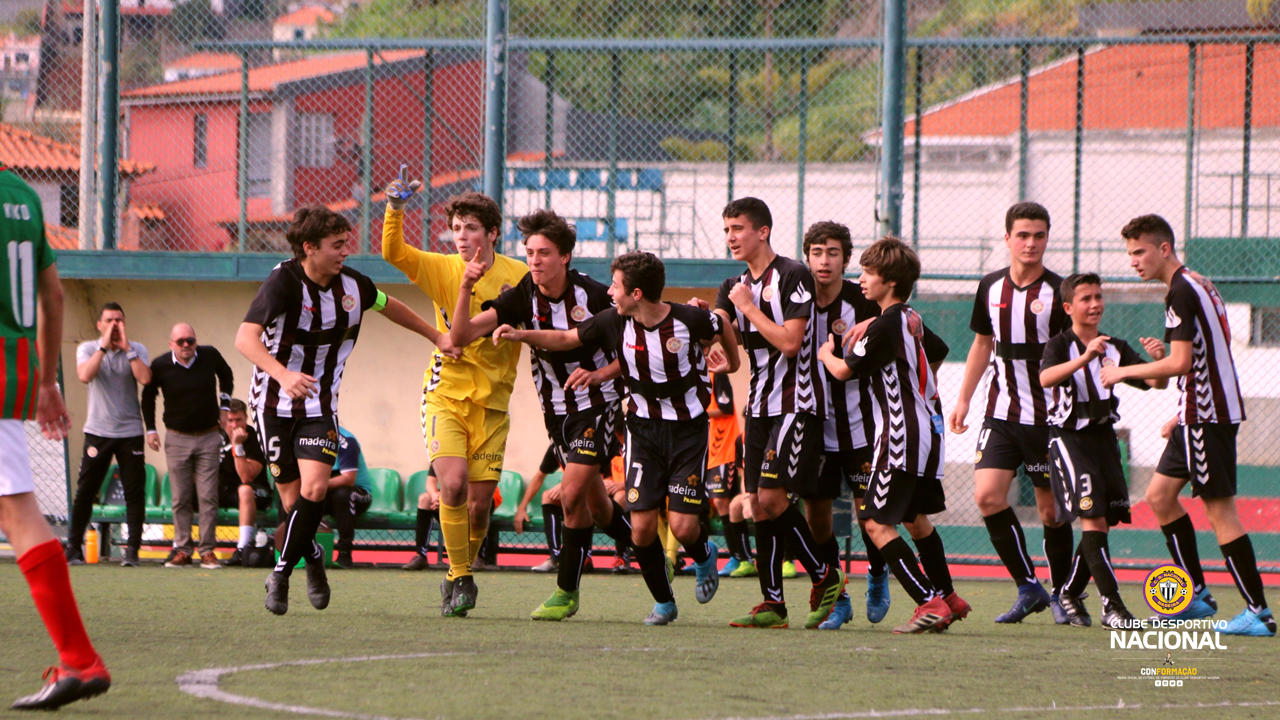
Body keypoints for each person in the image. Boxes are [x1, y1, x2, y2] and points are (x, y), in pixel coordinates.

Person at [495, 251, 739, 624]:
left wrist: (732, 364)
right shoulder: (613, 321)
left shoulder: (689, 318)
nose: (609, 292)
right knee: (640, 528)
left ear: (637, 293)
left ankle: (704, 554)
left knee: (683, 526)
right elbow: (565, 337)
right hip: (642, 431)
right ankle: (664, 602)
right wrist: (520, 334)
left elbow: (720, 322)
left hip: (688, 432)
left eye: (616, 286)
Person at [236, 204, 447, 616]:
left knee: (314, 491)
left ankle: (280, 573)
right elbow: (245, 338)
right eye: (336, 245)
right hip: (273, 405)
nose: (344, 252)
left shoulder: (353, 286)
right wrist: (282, 374)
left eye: (346, 243)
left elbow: (389, 305)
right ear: (309, 248)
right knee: (294, 502)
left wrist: (436, 335)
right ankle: (313, 557)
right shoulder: (282, 282)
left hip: (320, 406)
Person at [449, 208, 633, 621]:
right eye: (530, 252)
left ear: (565, 257)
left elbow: (637, 351)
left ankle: (566, 592)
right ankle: (648, 552)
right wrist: (465, 288)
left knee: (569, 495)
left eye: (544, 253)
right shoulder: (521, 296)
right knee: (598, 507)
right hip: (558, 414)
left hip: (600, 406)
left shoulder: (599, 296)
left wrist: (601, 373)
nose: (534, 260)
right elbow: (459, 336)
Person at [1102, 215, 1273, 637]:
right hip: (1197, 412)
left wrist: (1124, 372)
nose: (1133, 262)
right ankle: (1195, 594)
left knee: (1220, 512)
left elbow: (1179, 363)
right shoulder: (1199, 282)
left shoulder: (1179, 290)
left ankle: (1258, 612)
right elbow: (1207, 351)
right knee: (1159, 497)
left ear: (1164, 249)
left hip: (1206, 415)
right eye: (1129, 254)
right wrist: (1182, 408)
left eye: (1139, 252)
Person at [382, 174, 524, 617]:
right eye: (457, 228)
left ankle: (456, 572)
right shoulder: (443, 268)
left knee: (481, 508)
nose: (462, 237)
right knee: (454, 485)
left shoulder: (518, 276)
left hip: (494, 405)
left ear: (492, 233)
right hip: (444, 394)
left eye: (471, 228)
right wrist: (395, 208)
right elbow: (394, 253)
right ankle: (462, 577)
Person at [702, 197, 845, 630]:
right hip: (760, 406)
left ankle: (825, 574)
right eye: (726, 229)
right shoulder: (734, 283)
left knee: (771, 498)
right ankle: (773, 604)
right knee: (756, 507)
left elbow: (790, 342)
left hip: (796, 404)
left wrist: (747, 307)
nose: (730, 237)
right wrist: (705, 320)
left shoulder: (792, 274)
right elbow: (725, 337)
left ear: (762, 231)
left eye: (738, 228)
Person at [2, 164, 112, 710]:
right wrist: (44, 380)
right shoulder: (22, 194)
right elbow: (53, 296)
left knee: (19, 513)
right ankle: (79, 659)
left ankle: (80, 658)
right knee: (17, 511)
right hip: (12, 371)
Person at [818, 236, 969, 634]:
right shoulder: (909, 318)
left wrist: (825, 354)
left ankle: (929, 602)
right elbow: (937, 348)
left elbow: (842, 371)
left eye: (868, 272)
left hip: (900, 436)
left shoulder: (884, 325)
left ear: (889, 281)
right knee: (916, 520)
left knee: (874, 523)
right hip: (927, 432)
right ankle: (948, 595)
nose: (861, 279)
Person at [947, 201, 1075, 624]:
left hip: (1047, 418)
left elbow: (1071, 355)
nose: (1031, 243)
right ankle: (1028, 587)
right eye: (1023, 235)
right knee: (986, 496)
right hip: (1000, 413)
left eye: (1039, 235)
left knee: (1051, 513)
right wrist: (965, 398)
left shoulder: (1060, 292)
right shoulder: (990, 286)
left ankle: (1063, 594)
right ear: (1007, 239)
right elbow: (983, 343)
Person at [1039, 273, 1166, 629]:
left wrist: (1159, 361)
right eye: (1086, 299)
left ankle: (1068, 591)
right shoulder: (1059, 345)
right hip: (1068, 439)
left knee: (1103, 523)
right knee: (1092, 519)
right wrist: (1084, 357)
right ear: (1069, 307)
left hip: (1105, 441)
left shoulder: (1116, 346)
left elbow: (1155, 382)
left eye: (1098, 297)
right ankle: (1113, 608)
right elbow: (1045, 379)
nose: (1095, 304)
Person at [804, 221, 889, 629]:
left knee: (868, 513)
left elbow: (909, 330)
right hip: (812, 424)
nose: (825, 260)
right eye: (817, 252)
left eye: (833, 252)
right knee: (817, 515)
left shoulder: (865, 301)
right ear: (807, 257)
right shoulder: (793, 296)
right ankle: (838, 596)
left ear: (846, 259)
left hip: (862, 424)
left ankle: (877, 574)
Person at [142, 323, 235, 570]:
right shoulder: (160, 365)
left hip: (208, 436)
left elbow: (226, 376)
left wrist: (225, 406)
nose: (186, 345)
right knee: (181, 497)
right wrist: (150, 430)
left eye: (190, 341)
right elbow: (148, 396)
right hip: (177, 437)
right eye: (181, 341)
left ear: (196, 342)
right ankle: (183, 550)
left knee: (207, 496)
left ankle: (207, 551)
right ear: (171, 344)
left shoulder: (210, 355)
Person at [66, 303, 151, 567]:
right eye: (109, 321)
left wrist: (127, 350)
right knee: (86, 490)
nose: (115, 325)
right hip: (98, 432)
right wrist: (104, 347)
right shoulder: (88, 348)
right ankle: (73, 548)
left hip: (130, 433)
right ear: (100, 325)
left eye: (119, 320)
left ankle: (132, 551)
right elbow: (84, 375)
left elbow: (146, 379)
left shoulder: (137, 349)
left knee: (134, 494)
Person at [217, 399, 272, 567]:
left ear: (246, 418)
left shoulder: (256, 438)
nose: (234, 425)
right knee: (191, 491)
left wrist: (237, 445)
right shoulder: (215, 438)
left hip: (258, 492)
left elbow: (246, 477)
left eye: (239, 420)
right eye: (230, 420)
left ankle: (242, 549)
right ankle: (187, 549)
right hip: (224, 490)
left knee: (245, 489)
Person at [705, 372, 746, 577]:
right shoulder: (694, 377)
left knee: (723, 501)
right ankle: (703, 558)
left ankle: (739, 557)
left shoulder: (717, 375)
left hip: (725, 448)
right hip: (711, 451)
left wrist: (696, 412)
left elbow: (726, 408)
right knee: (713, 502)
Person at [515, 445, 566, 573]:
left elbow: (597, 475)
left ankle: (585, 556)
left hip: (596, 495)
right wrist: (522, 507)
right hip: (574, 495)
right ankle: (555, 558)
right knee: (547, 496)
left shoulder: (585, 442)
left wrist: (566, 484)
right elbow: (539, 477)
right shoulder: (557, 446)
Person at [328, 427, 373, 570]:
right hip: (328, 492)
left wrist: (317, 486)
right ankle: (284, 550)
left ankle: (344, 552)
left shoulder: (346, 441)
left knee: (344, 494)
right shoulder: (308, 440)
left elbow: (348, 480)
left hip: (359, 494)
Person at [402, 466, 441, 571]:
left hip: (467, 498)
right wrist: (435, 497)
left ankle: (477, 557)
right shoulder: (439, 456)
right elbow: (430, 483)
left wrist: (447, 497)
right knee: (424, 499)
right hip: (447, 497)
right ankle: (421, 556)